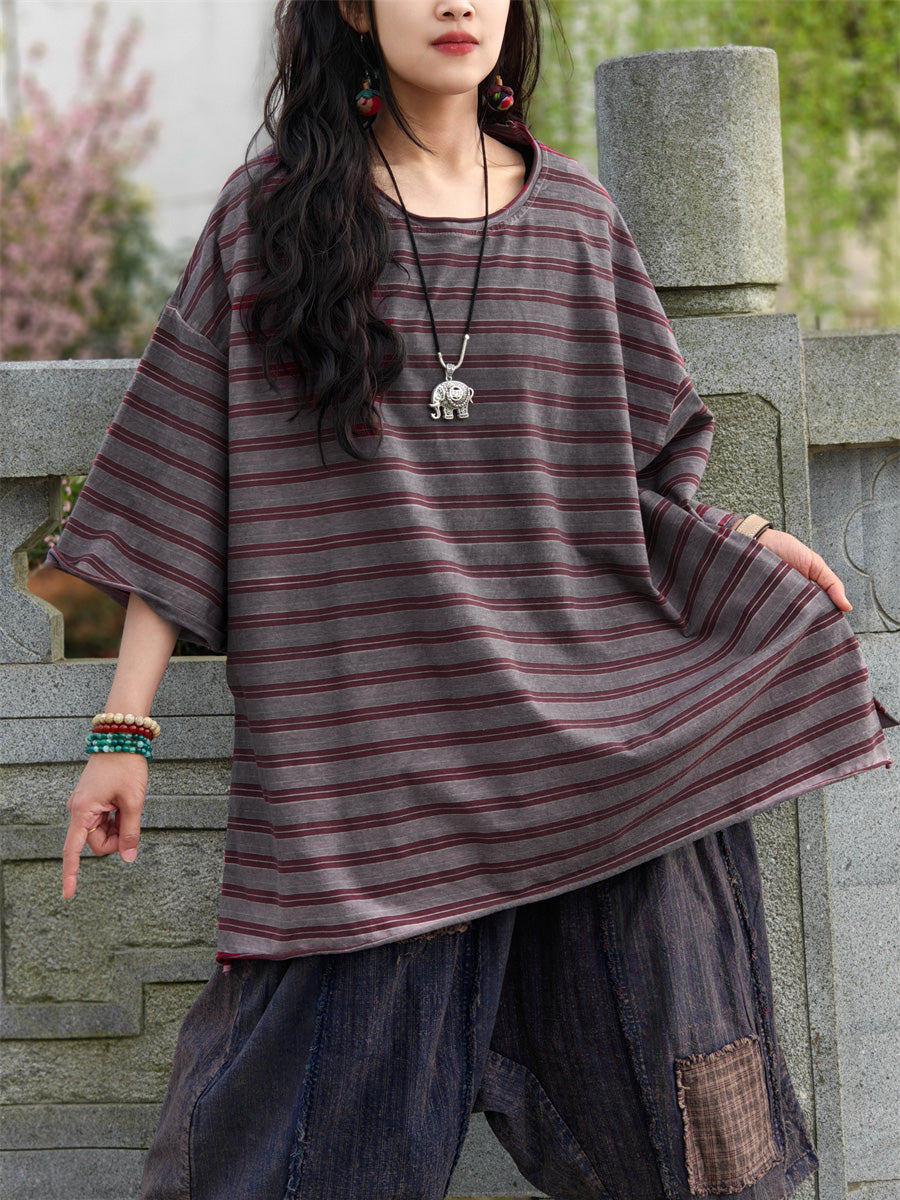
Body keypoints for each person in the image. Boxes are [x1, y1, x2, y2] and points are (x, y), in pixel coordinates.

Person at [52, 2, 893, 1198]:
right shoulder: (270, 220)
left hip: (592, 775)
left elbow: (638, 482)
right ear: (354, 8)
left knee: (701, 1157)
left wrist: (743, 539)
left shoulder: (578, 222)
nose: (456, 2)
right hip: (365, 804)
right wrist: (123, 727)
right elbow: (182, 473)